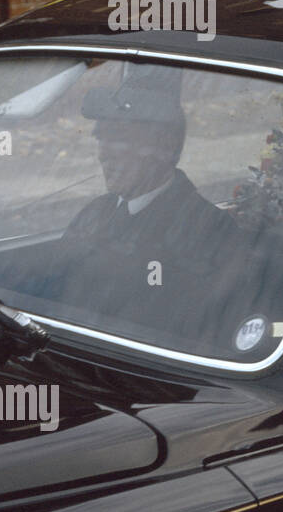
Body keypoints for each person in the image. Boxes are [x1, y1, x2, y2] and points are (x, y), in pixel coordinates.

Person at [47, 66, 247, 335]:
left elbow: (189, 333)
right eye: (101, 139)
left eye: (118, 139)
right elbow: (53, 291)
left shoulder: (211, 232)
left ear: (164, 145)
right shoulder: (94, 213)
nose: (103, 155)